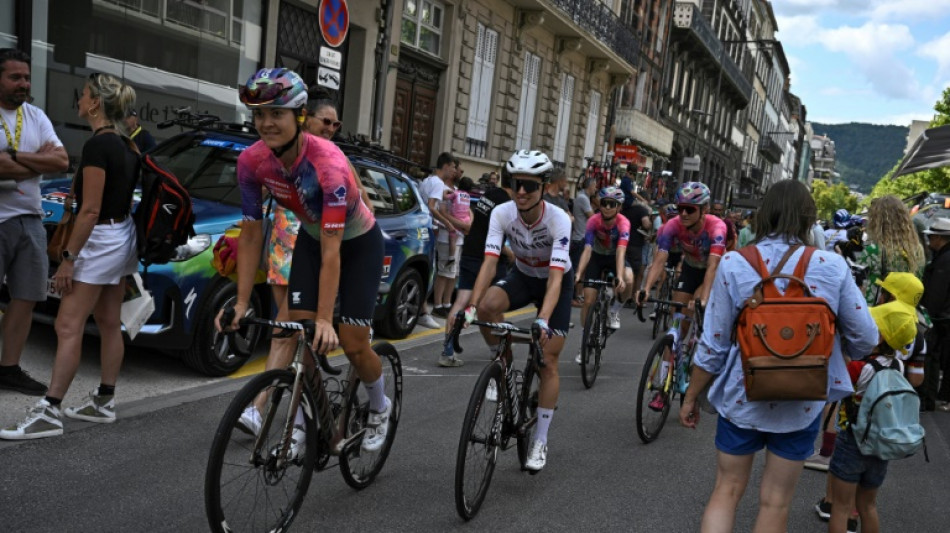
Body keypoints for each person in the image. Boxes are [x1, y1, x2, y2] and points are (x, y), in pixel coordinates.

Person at [678, 179, 877, 533]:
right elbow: (866, 337)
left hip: (742, 393)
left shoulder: (735, 263)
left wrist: (691, 395)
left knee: (726, 490)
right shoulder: (832, 265)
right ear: (808, 218)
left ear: (764, 213)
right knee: (776, 501)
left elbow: (714, 343)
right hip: (802, 400)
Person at [219, 68, 392, 455]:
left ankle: (380, 405)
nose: (266, 123)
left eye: (276, 113)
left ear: (299, 115)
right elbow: (251, 234)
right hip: (312, 240)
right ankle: (301, 424)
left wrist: (326, 319)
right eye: (259, 114)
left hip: (357, 244)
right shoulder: (251, 162)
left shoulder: (328, 164)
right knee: (300, 334)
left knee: (352, 343)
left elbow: (334, 250)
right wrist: (242, 302)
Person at [2, 72, 140, 439]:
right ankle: (104, 401)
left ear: (95, 104)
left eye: (83, 95)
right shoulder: (128, 145)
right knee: (109, 321)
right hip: (122, 235)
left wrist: (68, 258)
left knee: (67, 325)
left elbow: (90, 211)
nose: (78, 100)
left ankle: (50, 410)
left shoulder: (97, 147)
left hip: (99, 239)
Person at [463, 149, 573, 472]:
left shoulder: (558, 219)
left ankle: (540, 439)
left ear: (545, 187)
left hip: (555, 282)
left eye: (529, 185)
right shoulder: (502, 213)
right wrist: (470, 307)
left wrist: (543, 319)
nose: (521, 192)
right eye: (515, 184)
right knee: (487, 307)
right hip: (523, 276)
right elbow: (489, 263)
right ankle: (502, 365)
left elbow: (556, 278)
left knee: (548, 359)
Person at [0, 49, 69, 397]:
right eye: (15, 77)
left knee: (27, 297)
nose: (24, 84)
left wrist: (13, 156)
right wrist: (36, 162)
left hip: (30, 218)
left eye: (26, 77)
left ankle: (8, 369)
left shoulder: (35, 116)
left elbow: (61, 161)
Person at [826, 300, 922, 533]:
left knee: (841, 507)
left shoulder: (860, 367)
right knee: (868, 506)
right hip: (880, 444)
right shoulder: (899, 366)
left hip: (852, 441)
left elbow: (837, 384)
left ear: (878, 337)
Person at [637, 182, 726, 410]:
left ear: (704, 210)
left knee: (696, 308)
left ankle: (699, 369)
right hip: (690, 269)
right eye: (680, 208)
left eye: (690, 209)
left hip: (712, 272)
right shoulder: (672, 225)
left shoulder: (716, 227)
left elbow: (713, 268)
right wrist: (646, 288)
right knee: (677, 326)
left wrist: (703, 299)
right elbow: (659, 260)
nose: (683, 213)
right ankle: (662, 388)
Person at [441, 173, 514, 366]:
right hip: (488, 256)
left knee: (461, 301)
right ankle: (498, 349)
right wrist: (510, 253)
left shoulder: (490, 194)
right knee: (494, 304)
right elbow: (493, 235)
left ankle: (447, 351)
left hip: (470, 250)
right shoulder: (507, 204)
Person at [573, 186, 634, 363]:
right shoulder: (593, 221)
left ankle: (614, 310)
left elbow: (621, 251)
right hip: (597, 258)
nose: (607, 207)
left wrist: (620, 276)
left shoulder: (623, 223)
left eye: (612, 204)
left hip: (615, 258)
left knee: (629, 279)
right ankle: (585, 339)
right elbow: (587, 249)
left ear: (619, 207)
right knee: (588, 300)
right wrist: (578, 273)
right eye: (604, 203)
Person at [852, 195, 925, 306]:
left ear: (877, 222)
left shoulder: (873, 251)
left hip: (879, 312)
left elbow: (858, 289)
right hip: (906, 311)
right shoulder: (918, 249)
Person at [420, 152, 459, 323]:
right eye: (453, 167)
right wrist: (446, 222)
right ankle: (425, 313)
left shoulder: (428, 180)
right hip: (429, 229)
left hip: (422, 226)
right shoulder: (438, 183)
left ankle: (423, 310)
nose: (454, 171)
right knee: (430, 271)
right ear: (446, 166)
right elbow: (431, 207)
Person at [921, 217, 950, 412]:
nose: (929, 241)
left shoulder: (944, 260)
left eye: (931, 237)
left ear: (939, 238)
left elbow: (937, 293)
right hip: (945, 316)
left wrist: (927, 316)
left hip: (942, 318)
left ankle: (931, 398)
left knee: (933, 356)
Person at [570, 177, 597, 305]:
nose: (595, 189)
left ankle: (578, 295)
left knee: (581, 269)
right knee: (577, 269)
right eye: (594, 186)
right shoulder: (583, 198)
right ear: (589, 186)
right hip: (580, 238)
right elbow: (592, 218)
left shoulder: (583, 197)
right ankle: (572, 297)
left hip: (582, 237)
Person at [443, 176, 473, 283]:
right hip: (466, 219)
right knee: (462, 235)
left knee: (452, 239)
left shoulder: (456, 193)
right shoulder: (468, 196)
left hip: (456, 219)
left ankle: (451, 257)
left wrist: (446, 191)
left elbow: (445, 197)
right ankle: (463, 232)